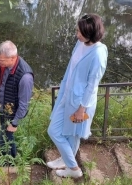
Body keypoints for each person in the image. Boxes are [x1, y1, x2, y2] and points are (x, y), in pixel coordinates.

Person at [46, 13, 107, 178]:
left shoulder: (98, 53)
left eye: (80, 32)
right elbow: (71, 68)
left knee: (64, 133)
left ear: (91, 33)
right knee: (60, 130)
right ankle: (65, 159)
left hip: (80, 102)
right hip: (67, 95)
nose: (77, 34)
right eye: (77, 30)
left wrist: (82, 108)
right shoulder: (80, 43)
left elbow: (92, 85)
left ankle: (73, 169)